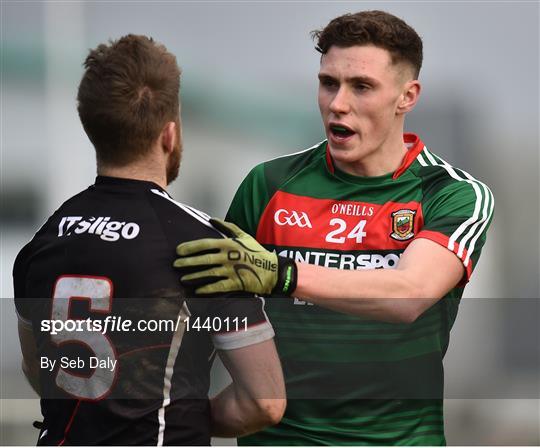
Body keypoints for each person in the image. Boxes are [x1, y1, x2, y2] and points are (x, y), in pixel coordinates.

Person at [173, 10, 494, 445]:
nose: (338, 103)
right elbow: (212, 315)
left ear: (407, 96)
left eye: (362, 87)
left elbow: (409, 295)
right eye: (328, 83)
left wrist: (283, 274)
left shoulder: (452, 193)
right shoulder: (267, 185)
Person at [13, 34, 285, 446]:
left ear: (93, 130)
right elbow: (264, 402)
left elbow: (38, 372)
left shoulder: (43, 241)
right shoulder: (203, 246)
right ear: (169, 134)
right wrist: (180, 417)